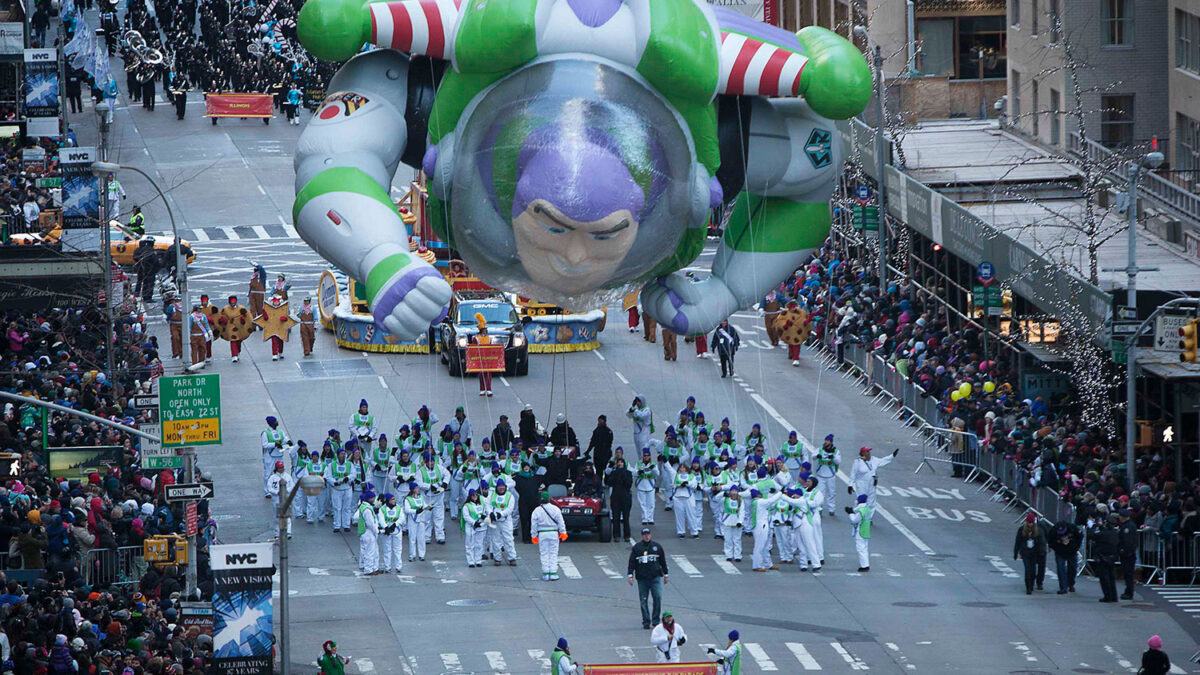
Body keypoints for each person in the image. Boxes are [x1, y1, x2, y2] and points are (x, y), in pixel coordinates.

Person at [627, 528, 669, 629]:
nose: (647, 536)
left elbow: (663, 561)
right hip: (642, 579)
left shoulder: (657, 547)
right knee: (643, 600)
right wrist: (630, 576)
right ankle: (646, 621)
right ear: (642, 536)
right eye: (645, 535)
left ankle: (655, 620)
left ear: (650, 535)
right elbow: (632, 562)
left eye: (648, 534)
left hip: (655, 577)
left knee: (657, 597)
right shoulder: (637, 548)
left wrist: (666, 574)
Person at [531, 491, 567, 581]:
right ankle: (553, 573)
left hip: (542, 533)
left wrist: (534, 535)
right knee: (553, 553)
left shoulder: (537, 510)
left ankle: (546, 573)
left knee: (544, 553)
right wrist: (563, 532)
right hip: (554, 533)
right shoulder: (555, 509)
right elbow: (561, 522)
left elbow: (534, 525)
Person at [417, 451, 449, 544]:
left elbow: (447, 474)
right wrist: (428, 486)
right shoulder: (420, 471)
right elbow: (419, 483)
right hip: (427, 497)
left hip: (438, 496)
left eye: (432, 461)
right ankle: (427, 536)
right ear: (425, 462)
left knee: (439, 516)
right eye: (429, 461)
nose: (431, 463)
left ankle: (440, 536)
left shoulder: (439, 468)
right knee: (427, 517)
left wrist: (445, 483)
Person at [325, 447, 357, 533]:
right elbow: (328, 476)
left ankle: (346, 525)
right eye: (341, 454)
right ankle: (337, 525)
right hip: (336, 489)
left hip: (347, 488)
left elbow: (354, 474)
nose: (343, 455)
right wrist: (334, 482)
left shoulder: (350, 464)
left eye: (344, 454)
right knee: (337, 508)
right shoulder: (332, 465)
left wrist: (348, 478)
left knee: (347, 507)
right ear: (338, 455)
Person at [1013, 513, 1047, 594]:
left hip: (1034, 553)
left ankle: (1031, 584)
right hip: (1025, 553)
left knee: (1033, 570)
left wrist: (1041, 552)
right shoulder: (1021, 530)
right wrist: (1015, 553)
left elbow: (1041, 542)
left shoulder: (1038, 530)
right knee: (1028, 569)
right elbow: (1018, 541)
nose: (1030, 524)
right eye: (1029, 522)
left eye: (1031, 523)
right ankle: (1028, 587)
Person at [1091, 513, 1120, 602]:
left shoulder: (1102, 534)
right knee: (1111, 577)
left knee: (1104, 578)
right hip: (1112, 557)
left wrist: (1094, 526)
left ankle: (1107, 596)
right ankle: (1114, 596)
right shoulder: (1114, 533)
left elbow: (1092, 535)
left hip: (1103, 557)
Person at [488, 479, 517, 565]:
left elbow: (510, 509)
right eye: (500, 486)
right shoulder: (492, 495)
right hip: (494, 521)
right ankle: (497, 558)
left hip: (506, 521)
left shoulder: (510, 496)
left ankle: (512, 558)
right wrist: (490, 513)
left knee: (508, 539)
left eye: (503, 486)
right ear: (497, 487)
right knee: (495, 540)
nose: (501, 488)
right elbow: (487, 505)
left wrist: (501, 514)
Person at [261, 416, 290, 499]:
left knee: (281, 472)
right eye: (275, 421)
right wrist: (274, 444)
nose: (277, 422)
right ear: (271, 423)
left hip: (279, 454)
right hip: (270, 456)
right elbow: (264, 444)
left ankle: (279, 488)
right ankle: (267, 491)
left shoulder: (280, 431)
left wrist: (288, 441)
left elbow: (284, 439)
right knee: (268, 473)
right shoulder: (265, 433)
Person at [606, 457, 634, 544]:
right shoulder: (614, 473)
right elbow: (608, 482)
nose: (620, 463)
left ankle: (627, 535)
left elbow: (629, 484)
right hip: (615, 497)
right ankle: (616, 535)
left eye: (621, 462)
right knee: (616, 518)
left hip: (625, 497)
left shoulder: (628, 473)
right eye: (618, 462)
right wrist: (614, 473)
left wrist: (623, 475)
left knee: (626, 517)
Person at [811, 434, 839, 516]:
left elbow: (838, 461)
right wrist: (817, 456)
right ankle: (819, 508)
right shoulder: (820, 450)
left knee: (831, 493)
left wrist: (833, 457)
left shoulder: (836, 451)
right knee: (820, 493)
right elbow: (813, 457)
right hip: (821, 475)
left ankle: (832, 509)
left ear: (831, 442)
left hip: (831, 475)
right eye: (825, 440)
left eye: (828, 441)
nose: (826, 442)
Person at [352, 491, 380, 575]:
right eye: (373, 498)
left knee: (370, 551)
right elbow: (370, 523)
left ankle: (373, 568)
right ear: (370, 498)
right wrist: (376, 531)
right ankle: (368, 569)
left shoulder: (363, 506)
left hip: (365, 532)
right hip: (368, 532)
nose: (374, 499)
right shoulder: (367, 509)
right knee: (370, 552)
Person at [267, 460, 294, 539]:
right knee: (277, 517)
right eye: (279, 468)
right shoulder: (272, 478)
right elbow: (269, 488)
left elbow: (292, 486)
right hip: (276, 499)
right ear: (276, 468)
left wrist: (285, 490)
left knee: (287, 515)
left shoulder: (287, 476)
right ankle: (277, 533)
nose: (281, 469)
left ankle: (288, 532)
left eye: (282, 468)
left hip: (286, 498)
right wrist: (277, 492)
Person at [378, 493, 404, 574]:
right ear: (388, 500)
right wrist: (386, 527)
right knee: (387, 549)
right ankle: (387, 567)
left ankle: (398, 566)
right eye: (392, 499)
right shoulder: (382, 509)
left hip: (397, 530)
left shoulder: (399, 508)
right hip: (387, 532)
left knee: (397, 549)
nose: (394, 501)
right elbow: (381, 519)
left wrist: (395, 525)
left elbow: (402, 518)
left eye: (394, 499)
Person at [461, 489, 488, 567]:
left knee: (479, 545)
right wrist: (474, 523)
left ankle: (478, 560)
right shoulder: (467, 506)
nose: (475, 496)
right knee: (470, 545)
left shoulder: (481, 505)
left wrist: (484, 517)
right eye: (473, 495)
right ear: (470, 496)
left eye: (476, 495)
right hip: (471, 528)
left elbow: (485, 513)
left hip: (481, 527)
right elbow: (466, 517)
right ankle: (471, 561)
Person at [403, 481, 429, 561]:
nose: (418, 489)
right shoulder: (408, 499)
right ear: (412, 489)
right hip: (412, 520)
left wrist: (429, 507)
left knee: (421, 538)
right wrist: (415, 511)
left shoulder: (421, 497)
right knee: (412, 538)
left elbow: (424, 505)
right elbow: (407, 510)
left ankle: (422, 555)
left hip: (421, 519)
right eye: (416, 488)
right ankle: (412, 555)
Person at [846, 494, 872, 572]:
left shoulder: (861, 510)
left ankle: (864, 566)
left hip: (860, 531)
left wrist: (850, 513)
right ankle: (866, 564)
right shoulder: (867, 509)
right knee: (865, 548)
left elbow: (854, 520)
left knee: (860, 548)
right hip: (866, 531)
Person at [1118, 508, 1139, 599]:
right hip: (1128, 553)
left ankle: (1129, 592)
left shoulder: (1128, 527)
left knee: (1128, 574)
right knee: (1127, 574)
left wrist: (1124, 551)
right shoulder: (1127, 525)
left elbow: (1128, 542)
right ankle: (1128, 591)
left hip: (1128, 554)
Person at [721, 485, 744, 562]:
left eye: (736, 491)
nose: (734, 492)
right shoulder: (726, 499)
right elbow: (715, 498)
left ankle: (738, 556)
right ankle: (728, 555)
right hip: (727, 521)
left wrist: (740, 522)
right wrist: (723, 493)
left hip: (737, 523)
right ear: (730, 492)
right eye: (732, 491)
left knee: (737, 540)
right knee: (728, 539)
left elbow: (742, 512)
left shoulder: (740, 500)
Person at [472, 317, 494, 396]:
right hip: (480, 358)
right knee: (481, 373)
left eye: (486, 329)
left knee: (488, 373)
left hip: (488, 358)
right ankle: (482, 389)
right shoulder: (476, 338)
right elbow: (473, 349)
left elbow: (492, 347)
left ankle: (488, 389)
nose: (485, 330)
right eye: (484, 329)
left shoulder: (489, 338)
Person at [635, 450, 657, 525]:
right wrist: (638, 472)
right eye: (645, 455)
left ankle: (650, 518)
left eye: (648, 455)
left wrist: (653, 469)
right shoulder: (639, 463)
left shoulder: (653, 464)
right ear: (643, 456)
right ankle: (644, 518)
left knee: (651, 503)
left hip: (650, 485)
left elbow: (657, 474)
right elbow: (634, 472)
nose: (646, 457)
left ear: (650, 456)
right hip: (641, 485)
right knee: (642, 503)